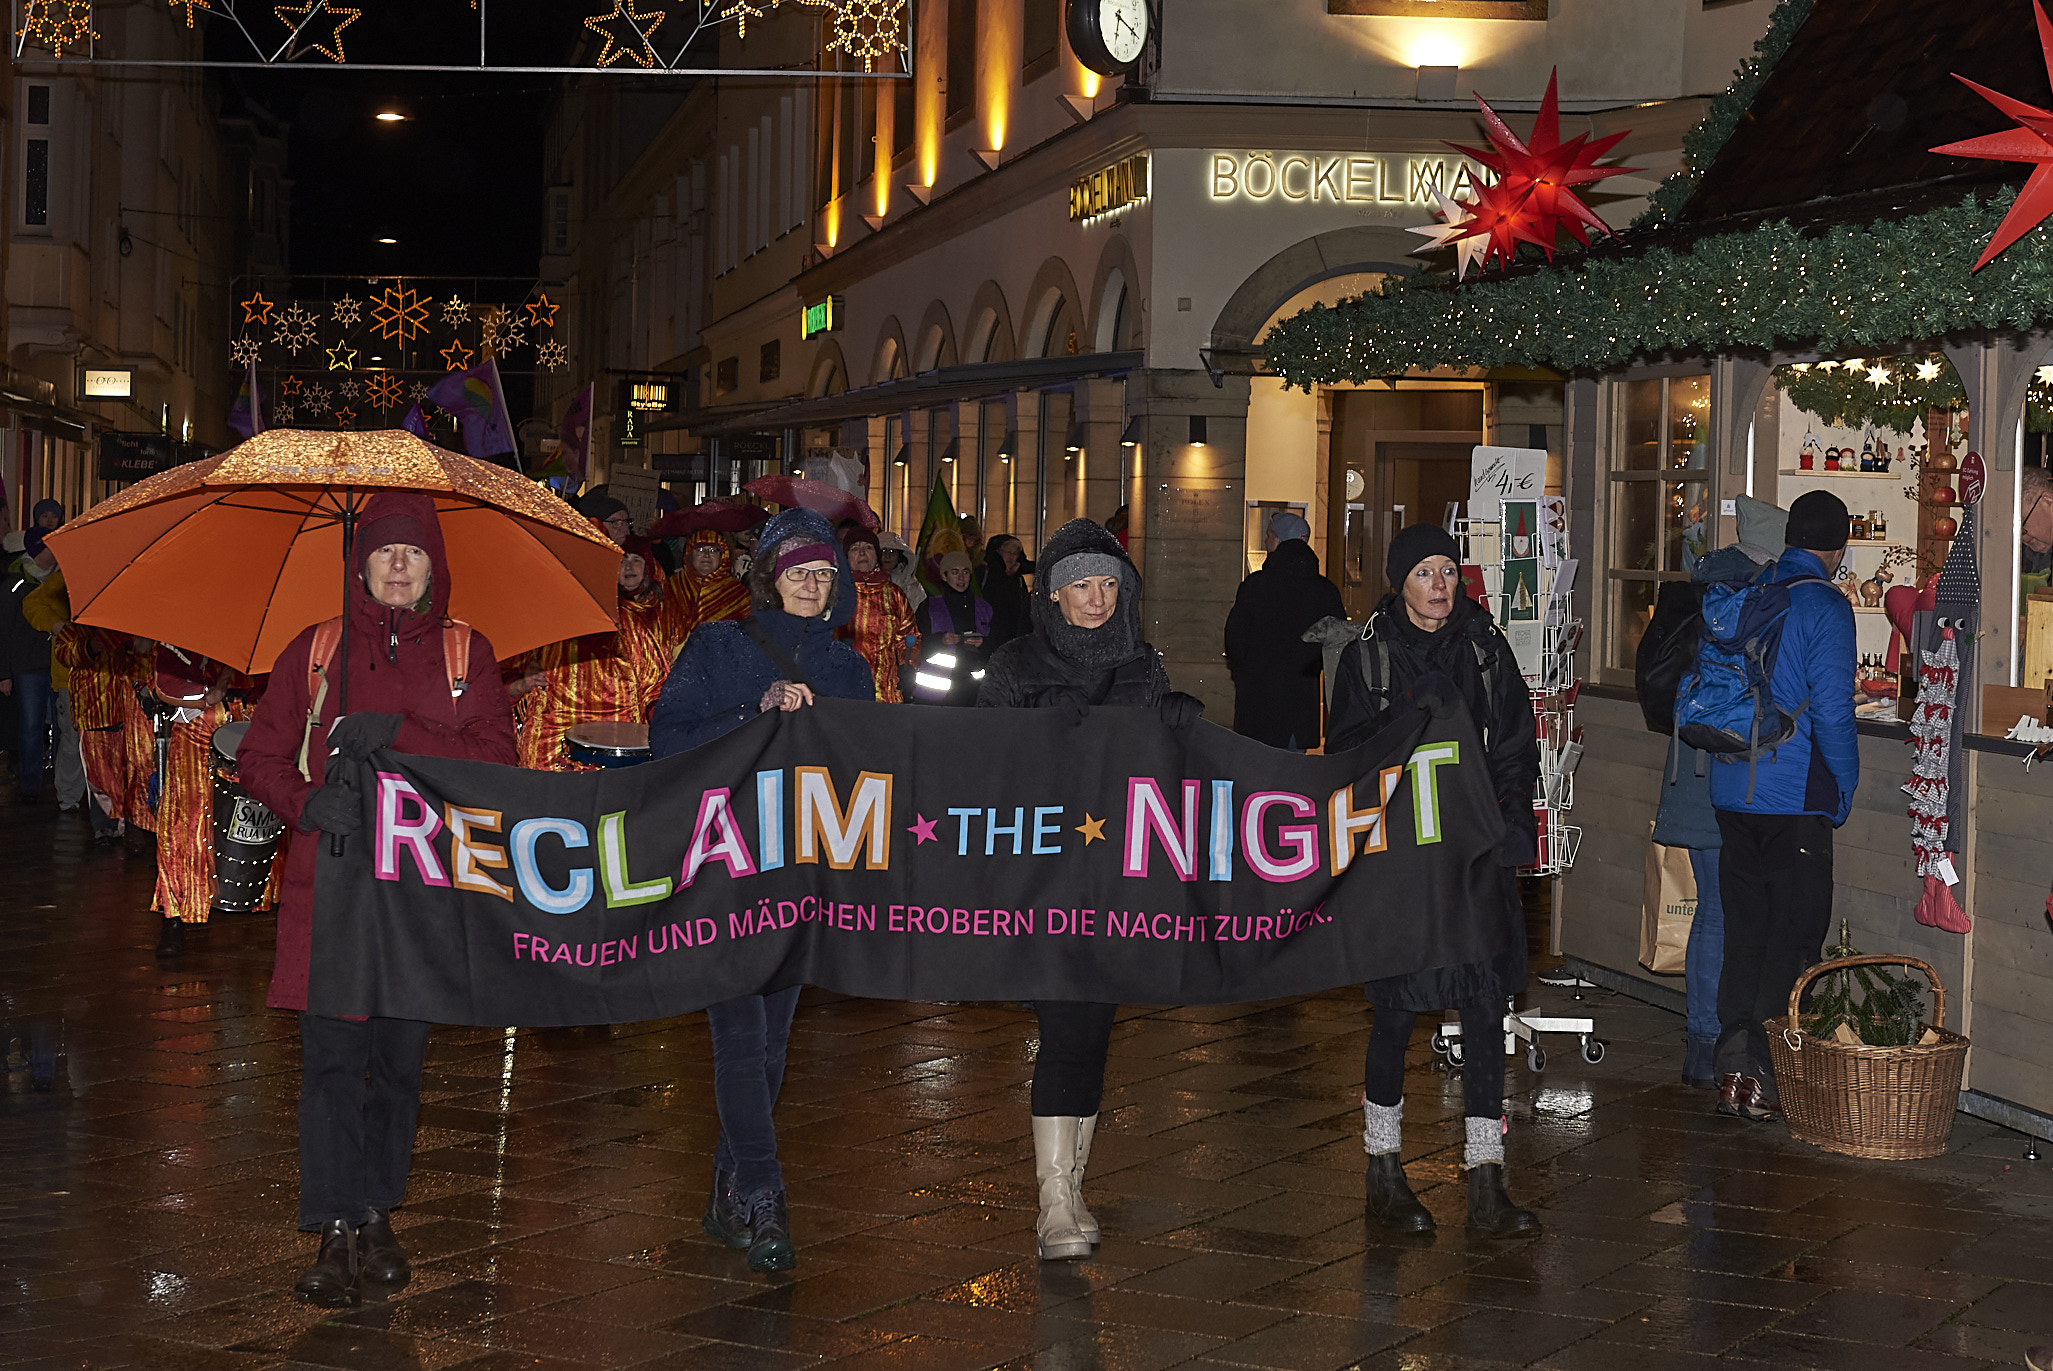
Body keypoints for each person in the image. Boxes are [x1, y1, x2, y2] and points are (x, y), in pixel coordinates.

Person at [237, 491, 517, 1307]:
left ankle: (375, 1210)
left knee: (397, 1064)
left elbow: (494, 759)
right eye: (386, 552)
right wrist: (303, 801)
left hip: (419, 892)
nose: (399, 565)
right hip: (331, 889)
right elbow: (259, 753)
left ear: (435, 566)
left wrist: (398, 731)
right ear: (361, 562)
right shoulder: (316, 648)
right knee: (331, 1063)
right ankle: (334, 1222)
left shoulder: (468, 653)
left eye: (414, 553)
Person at [648, 506, 874, 1274]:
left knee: (773, 1045)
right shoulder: (718, 644)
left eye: (823, 574)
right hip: (726, 862)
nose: (812, 584)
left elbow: (869, 764)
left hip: (801, 868)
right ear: (769, 577)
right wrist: (755, 711)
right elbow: (667, 734)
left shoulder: (849, 667)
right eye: (798, 571)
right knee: (739, 1037)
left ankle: (729, 1184)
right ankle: (767, 1193)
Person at [976, 518, 1202, 1261]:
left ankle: (1069, 1181)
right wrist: (1025, 735)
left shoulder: (1142, 666)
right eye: (1081, 585)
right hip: (1040, 882)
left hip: (1115, 885)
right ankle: (1055, 1200)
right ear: (1053, 594)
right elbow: (968, 765)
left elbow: (1161, 777)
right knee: (1069, 1026)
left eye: (1108, 584)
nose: (1096, 598)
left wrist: (1179, 727)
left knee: (1091, 1032)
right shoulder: (1014, 665)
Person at [1325, 523, 1542, 1236]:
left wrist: (1512, 823)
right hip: (1401, 859)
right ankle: (1382, 1169)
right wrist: (1401, 721)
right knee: (1395, 1007)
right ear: (1398, 581)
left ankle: (1485, 1177)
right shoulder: (1369, 657)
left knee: (1483, 1006)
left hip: (1473, 853)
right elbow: (1346, 755)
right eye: (1424, 571)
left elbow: (1514, 741)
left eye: (1447, 569)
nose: (1439, 583)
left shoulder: (1484, 648)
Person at [1710, 490, 1858, 1123]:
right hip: (1791, 796)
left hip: (1730, 785)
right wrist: (1846, 785)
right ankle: (1765, 1078)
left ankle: (1730, 1071)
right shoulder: (1824, 604)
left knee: (1745, 933)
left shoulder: (1750, 588)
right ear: (1838, 549)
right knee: (1791, 937)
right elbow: (1832, 710)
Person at [1644, 538, 1769, 1089]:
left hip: (1685, 774)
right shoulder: (1742, 605)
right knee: (1720, 913)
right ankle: (1710, 1045)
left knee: (1708, 912)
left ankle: (1700, 1045)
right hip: (1717, 778)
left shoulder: (1696, 600)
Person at [509, 535, 686, 770]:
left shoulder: (631, 627)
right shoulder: (545, 625)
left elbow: (654, 689)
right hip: (552, 750)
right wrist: (522, 683)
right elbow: (505, 677)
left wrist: (666, 733)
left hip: (616, 748)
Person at [1224, 512, 1344, 750]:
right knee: (1293, 777)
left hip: (1257, 704)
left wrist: (1246, 674)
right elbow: (1338, 645)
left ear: (1279, 542)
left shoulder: (1256, 586)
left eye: (1269, 536)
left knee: (1257, 774)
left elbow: (1234, 640)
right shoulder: (1325, 591)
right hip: (1302, 705)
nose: (1267, 542)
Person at [3, 529, 59, 804]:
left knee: (62, 727)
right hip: (27, 667)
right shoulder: (14, 584)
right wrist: (4, 673)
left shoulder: (63, 581)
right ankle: (30, 785)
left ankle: (60, 784)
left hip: (59, 664)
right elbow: (3, 630)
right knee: (31, 726)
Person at [836, 525, 916, 702]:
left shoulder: (894, 595)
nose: (862, 553)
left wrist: (908, 666)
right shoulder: (834, 593)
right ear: (846, 556)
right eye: (855, 548)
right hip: (843, 692)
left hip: (886, 694)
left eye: (868, 547)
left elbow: (909, 637)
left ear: (876, 555)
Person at [670, 526, 754, 629]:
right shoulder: (673, 586)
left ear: (722, 555)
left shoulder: (736, 592)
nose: (706, 555)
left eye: (713, 550)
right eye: (700, 549)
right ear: (690, 553)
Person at [980, 534, 1035, 650]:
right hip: (990, 634)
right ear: (999, 553)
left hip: (1014, 635)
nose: (1011, 557)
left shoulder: (1018, 578)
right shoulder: (987, 573)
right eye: (1008, 552)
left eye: (1015, 553)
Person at [879, 531, 924, 614]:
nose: (887, 556)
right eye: (884, 550)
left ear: (899, 555)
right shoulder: (868, 583)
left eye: (892, 551)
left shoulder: (913, 587)